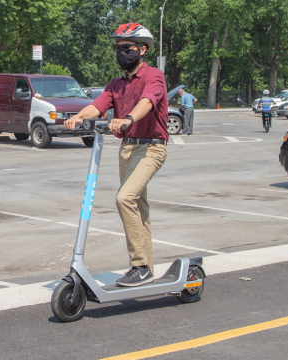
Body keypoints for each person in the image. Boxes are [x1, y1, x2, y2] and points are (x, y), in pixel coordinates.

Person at [64, 23, 168, 287]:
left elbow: (147, 102)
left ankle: (139, 266)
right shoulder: (116, 83)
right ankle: (148, 271)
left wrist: (128, 118)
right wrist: (77, 117)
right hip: (127, 149)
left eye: (127, 48)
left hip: (151, 147)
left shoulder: (154, 76)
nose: (121, 52)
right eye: (118, 48)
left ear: (142, 49)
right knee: (138, 208)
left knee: (124, 199)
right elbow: (97, 106)